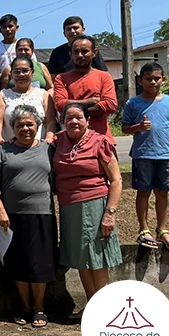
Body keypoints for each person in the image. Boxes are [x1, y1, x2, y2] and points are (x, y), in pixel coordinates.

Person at [0, 105, 58, 328]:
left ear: (38, 126)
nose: (25, 128)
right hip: (13, 216)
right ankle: (25, 307)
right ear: (13, 128)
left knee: (40, 264)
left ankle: (39, 308)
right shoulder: (3, 151)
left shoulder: (48, 149)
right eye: (20, 125)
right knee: (18, 264)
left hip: (42, 214)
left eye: (30, 124)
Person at [53, 103, 122, 317]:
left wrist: (109, 213)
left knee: (97, 259)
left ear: (87, 120)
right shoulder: (58, 140)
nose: (74, 121)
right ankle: (93, 306)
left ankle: (104, 310)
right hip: (68, 208)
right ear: (63, 121)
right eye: (69, 118)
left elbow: (117, 180)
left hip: (95, 205)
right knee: (80, 258)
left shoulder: (99, 142)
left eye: (78, 117)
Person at [121, 63, 169, 251]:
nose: (153, 82)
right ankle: (144, 229)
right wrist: (138, 128)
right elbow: (125, 128)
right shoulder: (133, 103)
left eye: (157, 78)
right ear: (140, 81)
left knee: (162, 192)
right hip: (143, 155)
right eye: (148, 78)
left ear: (163, 80)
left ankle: (162, 229)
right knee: (143, 191)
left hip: (166, 154)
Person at [53, 35, 118, 142]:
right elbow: (60, 105)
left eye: (85, 51)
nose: (80, 55)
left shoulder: (104, 77)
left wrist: (72, 112)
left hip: (101, 139)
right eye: (76, 52)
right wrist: (90, 101)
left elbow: (110, 105)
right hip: (71, 142)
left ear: (94, 53)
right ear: (70, 54)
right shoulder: (61, 78)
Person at [0, 54, 57, 147]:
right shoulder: (2, 95)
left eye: (25, 71)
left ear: (32, 72)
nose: (21, 75)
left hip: (39, 148)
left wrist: (49, 137)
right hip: (10, 148)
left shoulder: (44, 95)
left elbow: (51, 120)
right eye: (17, 71)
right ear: (11, 74)